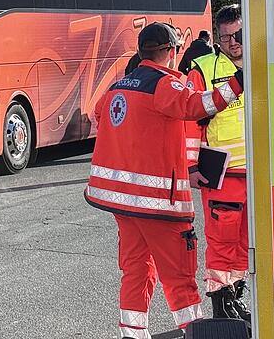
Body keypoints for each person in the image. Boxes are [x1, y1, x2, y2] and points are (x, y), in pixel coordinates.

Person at [85, 22, 245, 339]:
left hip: (122, 203)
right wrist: (239, 82)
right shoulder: (164, 85)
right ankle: (194, 332)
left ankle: (133, 334)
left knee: (136, 269)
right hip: (158, 204)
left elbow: (100, 116)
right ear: (171, 52)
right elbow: (201, 105)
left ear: (141, 51)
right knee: (179, 276)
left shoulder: (118, 87)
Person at [185, 4, 250, 323]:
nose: (233, 42)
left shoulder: (268, 60)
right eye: (225, 38)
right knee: (222, 241)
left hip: (259, 172)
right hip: (221, 171)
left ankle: (236, 296)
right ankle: (221, 304)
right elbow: (189, 120)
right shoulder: (204, 69)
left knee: (247, 243)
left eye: (238, 35)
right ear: (216, 38)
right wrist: (191, 166)